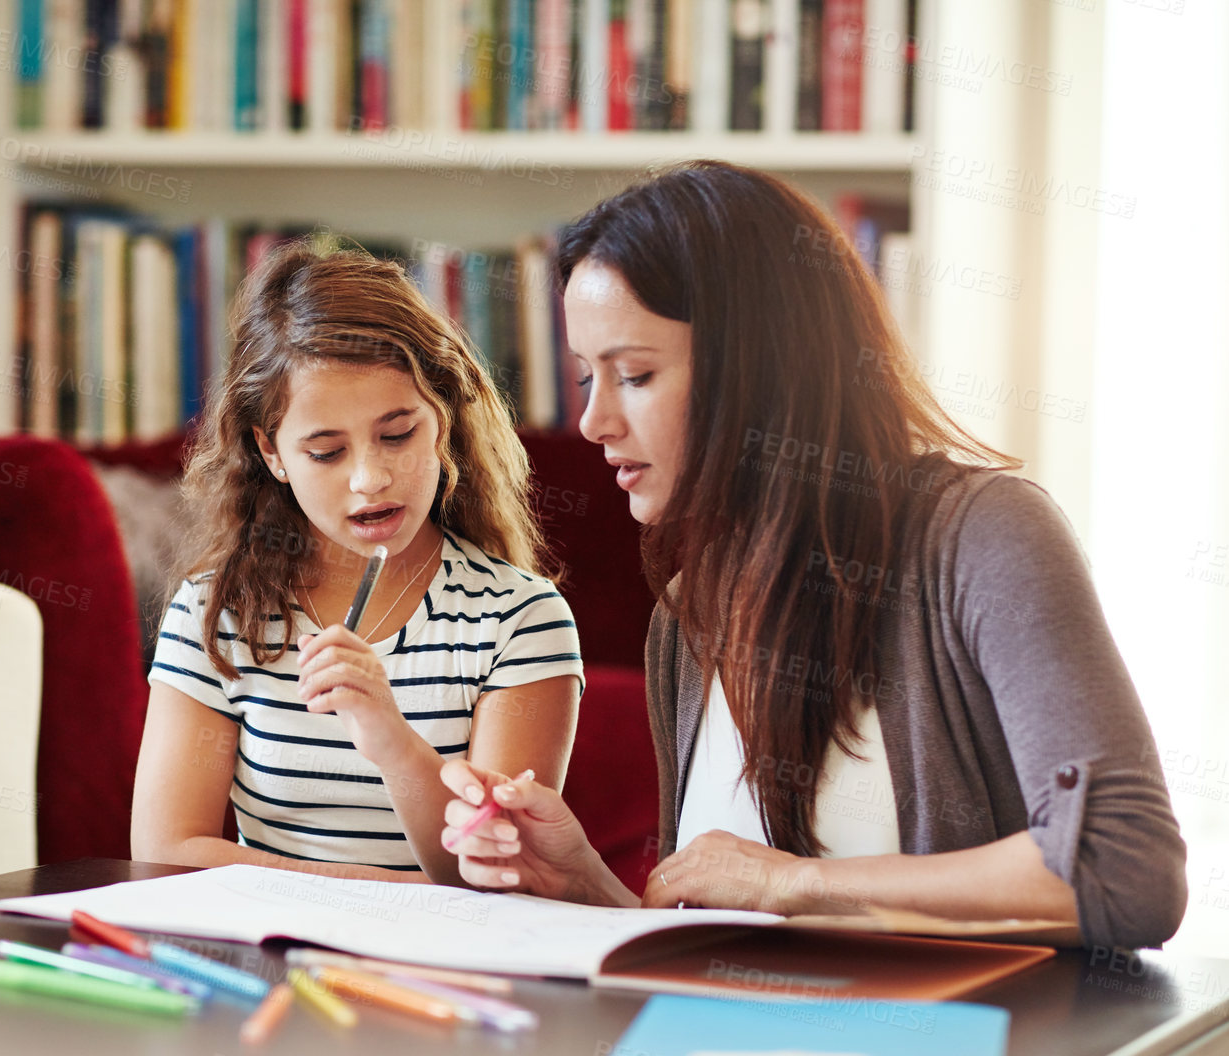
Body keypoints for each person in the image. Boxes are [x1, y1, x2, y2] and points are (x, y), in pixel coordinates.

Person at [439, 160, 1186, 949]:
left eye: (635, 374)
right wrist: (585, 884)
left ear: (759, 364)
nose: (593, 422)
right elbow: (737, 948)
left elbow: (1124, 871)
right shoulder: (687, 616)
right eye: (588, 377)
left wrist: (791, 882)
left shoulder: (987, 538)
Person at [132, 242, 584, 886]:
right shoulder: (214, 613)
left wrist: (388, 736)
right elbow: (164, 851)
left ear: (443, 423)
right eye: (325, 451)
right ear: (273, 453)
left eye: (397, 434)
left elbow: (494, 871)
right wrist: (374, 896)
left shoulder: (521, 618)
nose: (371, 479)